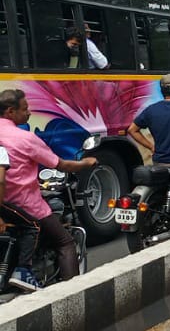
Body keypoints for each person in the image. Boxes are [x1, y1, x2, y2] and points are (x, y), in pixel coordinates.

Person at [0, 89, 97, 290]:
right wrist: (87, 163)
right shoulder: (25, 138)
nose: (28, 114)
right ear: (10, 111)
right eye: (24, 109)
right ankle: (72, 294)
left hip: (5, 207)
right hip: (24, 203)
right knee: (65, 242)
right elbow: (60, 165)